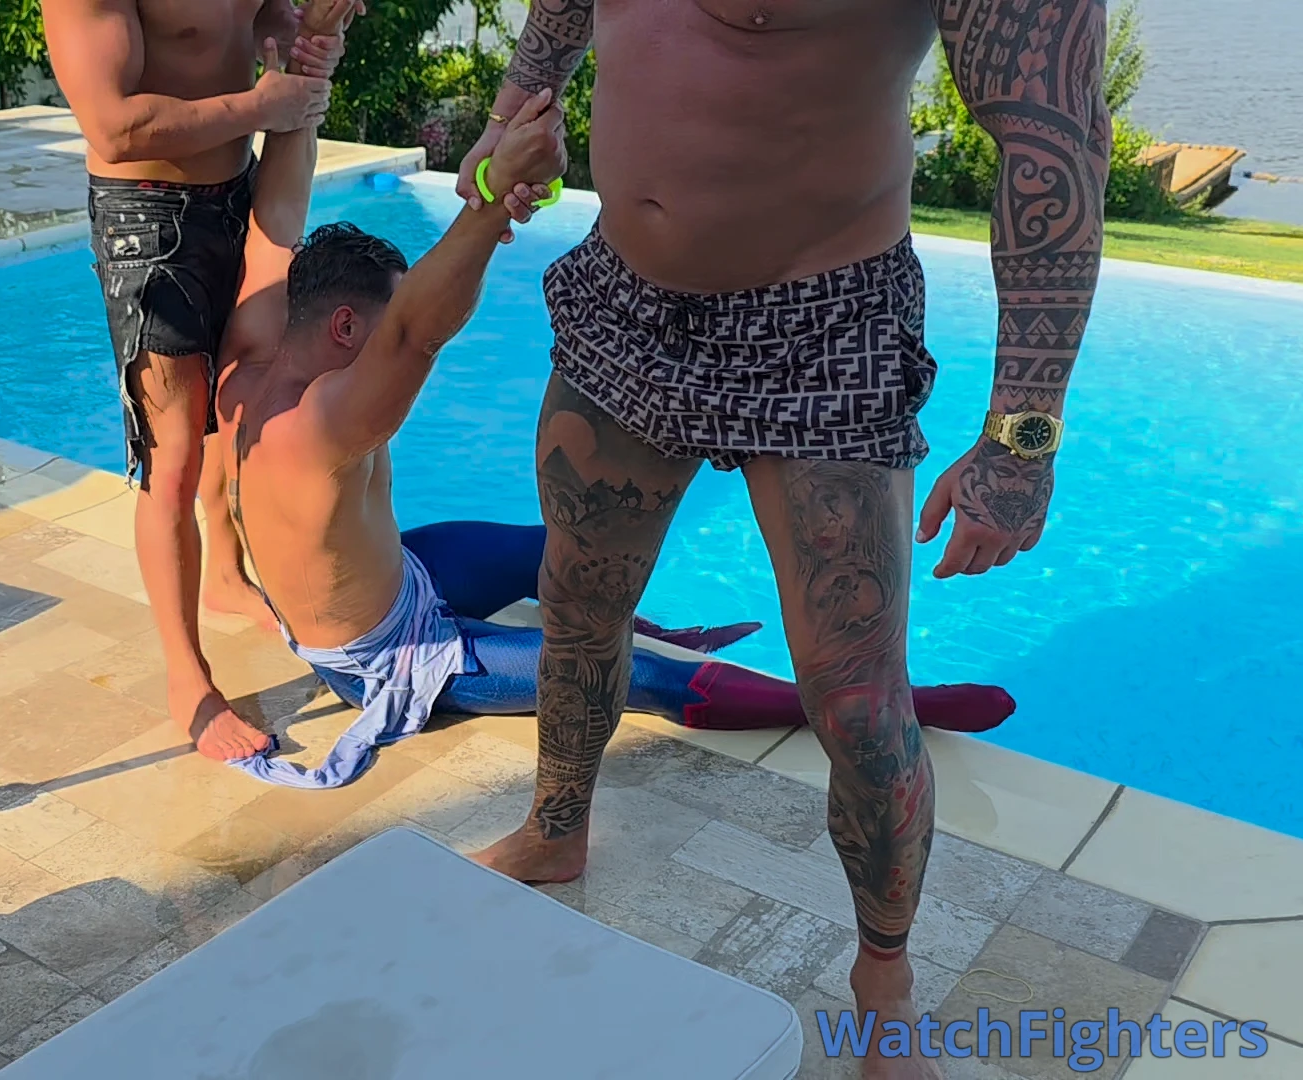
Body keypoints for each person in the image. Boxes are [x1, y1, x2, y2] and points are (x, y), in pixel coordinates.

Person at [455, 2, 1110, 1075]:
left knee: (857, 701)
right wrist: (519, 106)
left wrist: (1022, 440)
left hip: (828, 321)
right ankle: (556, 829)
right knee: (577, 599)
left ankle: (884, 979)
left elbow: (1055, 144)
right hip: (626, 299)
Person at [209, 97, 1015, 789]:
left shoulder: (247, 363)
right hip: (391, 653)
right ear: (345, 326)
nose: (381, 349)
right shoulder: (315, 430)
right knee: (633, 678)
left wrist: (306, 81)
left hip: (399, 572)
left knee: (577, 548)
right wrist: (491, 201)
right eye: (376, 323)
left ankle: (653, 623)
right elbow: (414, 334)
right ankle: (857, 706)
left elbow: (275, 223)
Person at [42, 0, 350, 761]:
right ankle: (189, 679)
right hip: (146, 214)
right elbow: (113, 126)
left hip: (239, 188)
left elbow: (260, 20)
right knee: (173, 456)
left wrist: (306, 41)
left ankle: (225, 575)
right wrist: (262, 107)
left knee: (239, 398)